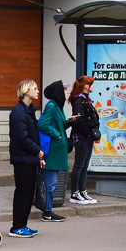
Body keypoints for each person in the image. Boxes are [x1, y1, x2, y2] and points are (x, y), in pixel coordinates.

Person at [8, 79, 45, 238]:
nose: (37, 91)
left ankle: (23, 224)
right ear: (25, 91)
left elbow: (33, 135)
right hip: (22, 159)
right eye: (34, 88)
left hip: (30, 158)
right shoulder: (18, 112)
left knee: (29, 193)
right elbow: (21, 138)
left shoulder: (29, 110)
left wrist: (39, 156)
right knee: (23, 192)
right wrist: (38, 151)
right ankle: (17, 226)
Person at [38, 81, 72, 223]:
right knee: (50, 183)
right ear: (58, 92)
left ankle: (48, 210)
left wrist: (70, 121)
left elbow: (60, 123)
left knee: (53, 182)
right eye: (64, 90)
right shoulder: (52, 105)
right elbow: (43, 124)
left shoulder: (58, 106)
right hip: (52, 151)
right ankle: (47, 212)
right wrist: (57, 134)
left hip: (57, 150)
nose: (67, 92)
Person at [67, 76, 100, 204]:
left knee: (84, 166)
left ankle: (82, 191)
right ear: (86, 86)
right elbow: (78, 120)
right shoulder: (79, 101)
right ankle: (75, 193)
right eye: (91, 84)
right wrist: (88, 133)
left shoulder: (85, 100)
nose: (93, 86)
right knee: (79, 165)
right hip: (81, 137)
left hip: (87, 136)